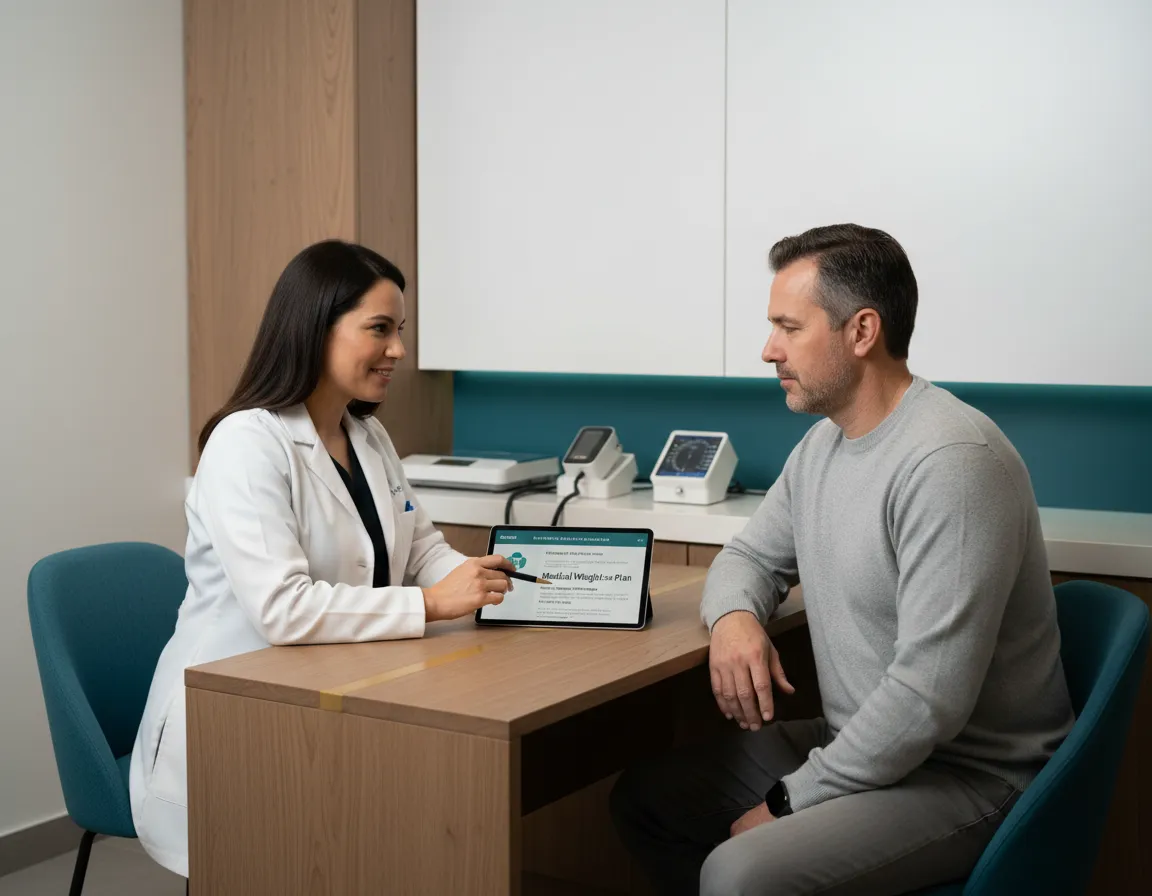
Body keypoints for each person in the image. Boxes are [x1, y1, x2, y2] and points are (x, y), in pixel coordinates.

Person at [609, 224, 1075, 895]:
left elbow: (925, 703)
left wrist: (787, 803)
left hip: (966, 776)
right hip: (859, 742)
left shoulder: (952, 462)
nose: (768, 349)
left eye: (788, 328)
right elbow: (747, 557)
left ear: (861, 332)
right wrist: (736, 617)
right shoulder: (824, 449)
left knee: (739, 873)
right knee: (650, 797)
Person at [129, 240, 516, 878]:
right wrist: (432, 604)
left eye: (401, 330)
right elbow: (283, 610)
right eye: (379, 329)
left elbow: (420, 546)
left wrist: (480, 582)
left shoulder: (366, 434)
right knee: (320, 847)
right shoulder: (247, 442)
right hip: (241, 714)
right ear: (316, 328)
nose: (398, 349)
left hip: (337, 687)